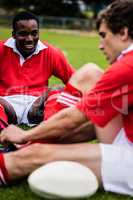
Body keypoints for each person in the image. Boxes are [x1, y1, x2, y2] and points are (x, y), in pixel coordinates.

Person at [0, 0, 133, 196]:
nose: (100, 45)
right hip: (125, 137)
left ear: (123, 33)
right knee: (90, 73)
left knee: (36, 155)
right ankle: (28, 147)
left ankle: (19, 154)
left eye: (104, 36)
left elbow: (73, 118)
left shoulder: (126, 68)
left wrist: (25, 135)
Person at [0, 11, 75, 128]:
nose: (29, 39)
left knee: (60, 93)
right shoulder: (1, 49)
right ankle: (4, 137)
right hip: (5, 105)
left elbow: (75, 80)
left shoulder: (51, 52)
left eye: (34, 33)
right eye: (23, 34)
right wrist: (3, 102)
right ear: (13, 34)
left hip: (36, 107)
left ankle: (47, 132)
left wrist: (49, 93)